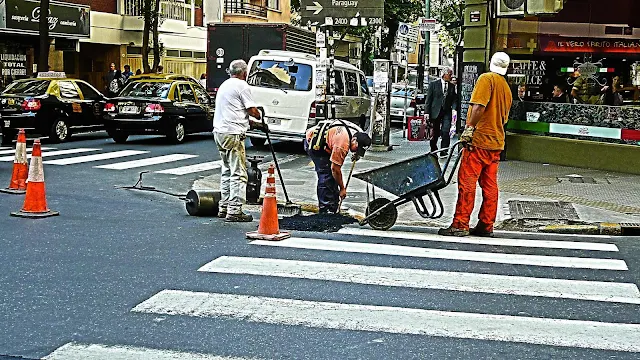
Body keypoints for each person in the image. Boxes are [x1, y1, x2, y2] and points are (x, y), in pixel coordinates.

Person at [438, 52, 513, 237]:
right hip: (496, 143)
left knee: (467, 183)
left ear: (491, 63)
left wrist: (470, 128)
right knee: (490, 186)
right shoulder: (506, 87)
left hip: (479, 141)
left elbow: (479, 106)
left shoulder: (486, 79)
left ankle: (460, 224)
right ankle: (486, 224)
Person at [213, 59, 267, 222]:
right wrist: (259, 115)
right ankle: (235, 210)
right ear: (244, 73)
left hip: (220, 132)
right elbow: (251, 110)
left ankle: (224, 206)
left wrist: (255, 125)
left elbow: (234, 112)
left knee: (227, 170)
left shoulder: (225, 85)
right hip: (233, 134)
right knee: (238, 173)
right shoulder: (242, 85)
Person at [304, 120, 371, 213]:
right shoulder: (342, 144)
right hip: (315, 142)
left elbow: (358, 146)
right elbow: (335, 169)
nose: (356, 151)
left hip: (329, 140)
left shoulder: (359, 133)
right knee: (326, 175)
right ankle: (325, 209)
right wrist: (342, 189)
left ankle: (334, 205)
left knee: (333, 178)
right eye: (357, 149)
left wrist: (357, 154)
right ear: (354, 140)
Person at [425, 67, 457, 155]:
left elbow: (454, 99)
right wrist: (426, 112)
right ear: (444, 75)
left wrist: (454, 108)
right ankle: (434, 149)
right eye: (450, 74)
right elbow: (429, 99)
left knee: (445, 131)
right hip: (435, 112)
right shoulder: (433, 84)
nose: (451, 76)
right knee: (435, 133)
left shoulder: (452, 86)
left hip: (446, 112)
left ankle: (444, 151)